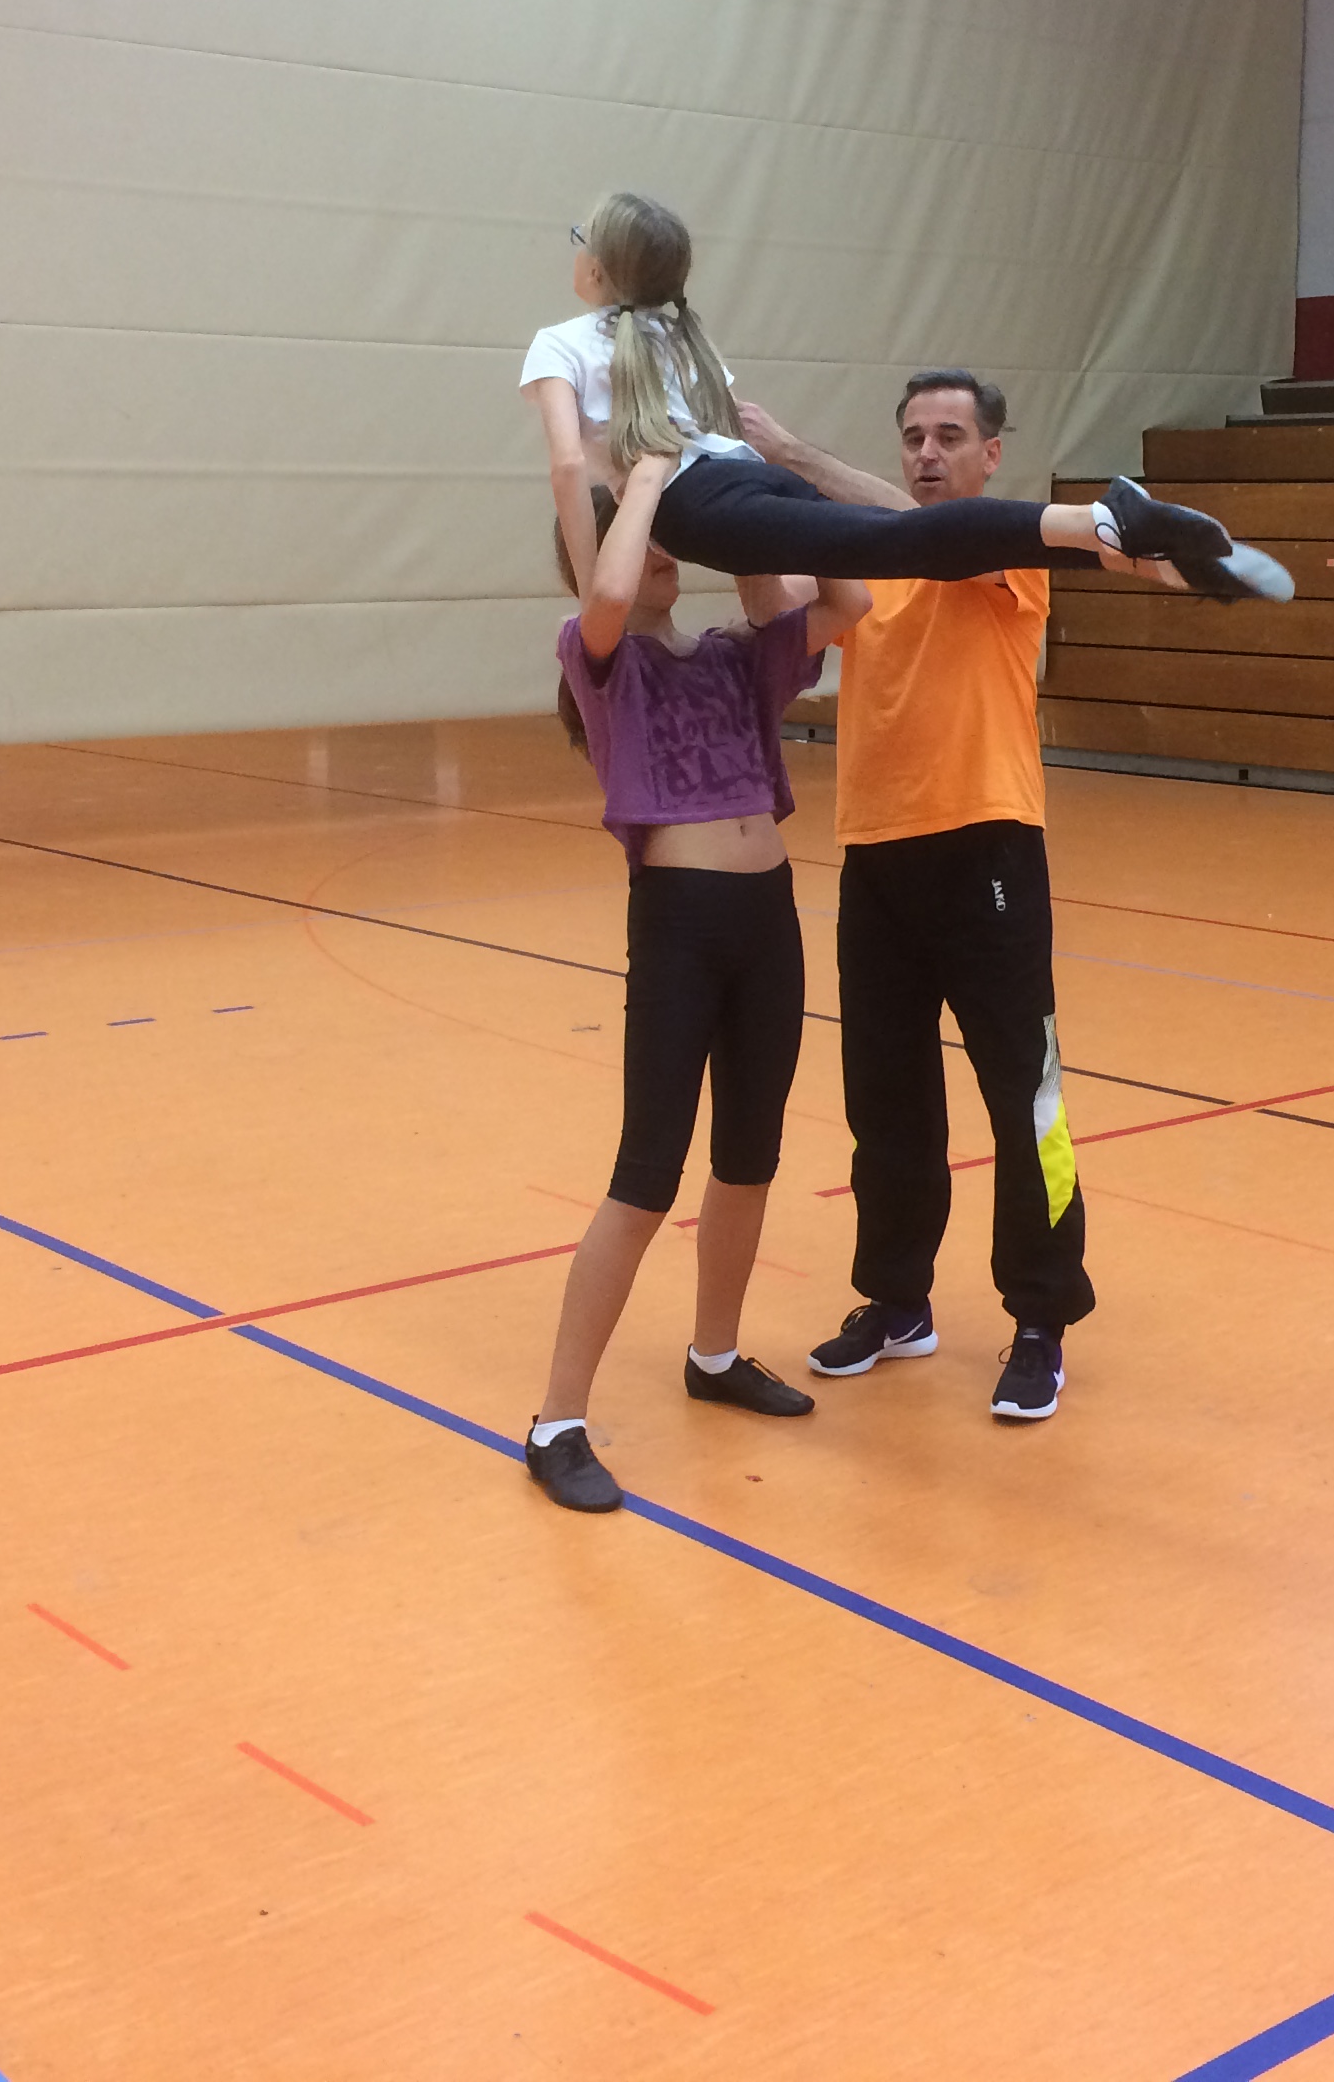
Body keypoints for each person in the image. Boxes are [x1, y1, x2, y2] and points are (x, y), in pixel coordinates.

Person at [731, 374, 1102, 1422]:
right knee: (885, 1101)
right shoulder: (870, 562)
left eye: (949, 436)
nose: (927, 453)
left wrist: (795, 456)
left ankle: (1041, 1317)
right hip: (877, 857)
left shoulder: (1010, 547)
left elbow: (935, 540)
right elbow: (780, 619)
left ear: (992, 454)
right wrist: (729, 500)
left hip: (988, 850)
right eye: (913, 438)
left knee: (1024, 1099)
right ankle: (898, 1301)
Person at [525, 457, 872, 1513]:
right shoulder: (597, 658)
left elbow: (849, 601)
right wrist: (644, 478)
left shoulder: (731, 654)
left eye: (681, 534)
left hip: (768, 921)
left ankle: (713, 1356)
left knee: (750, 1154)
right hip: (681, 923)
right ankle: (557, 1421)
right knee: (646, 1175)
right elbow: (611, 594)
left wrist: (762, 502)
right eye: (653, 535)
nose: (669, 549)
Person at [520, 192, 1290, 609]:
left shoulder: (563, 343)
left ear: (600, 268)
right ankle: (1134, 554)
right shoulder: (686, 341)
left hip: (702, 510)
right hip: (743, 484)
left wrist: (592, 591)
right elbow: (734, 456)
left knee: (901, 542)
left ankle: (1106, 523)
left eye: (580, 239)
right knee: (901, 539)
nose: (575, 251)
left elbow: (567, 470)